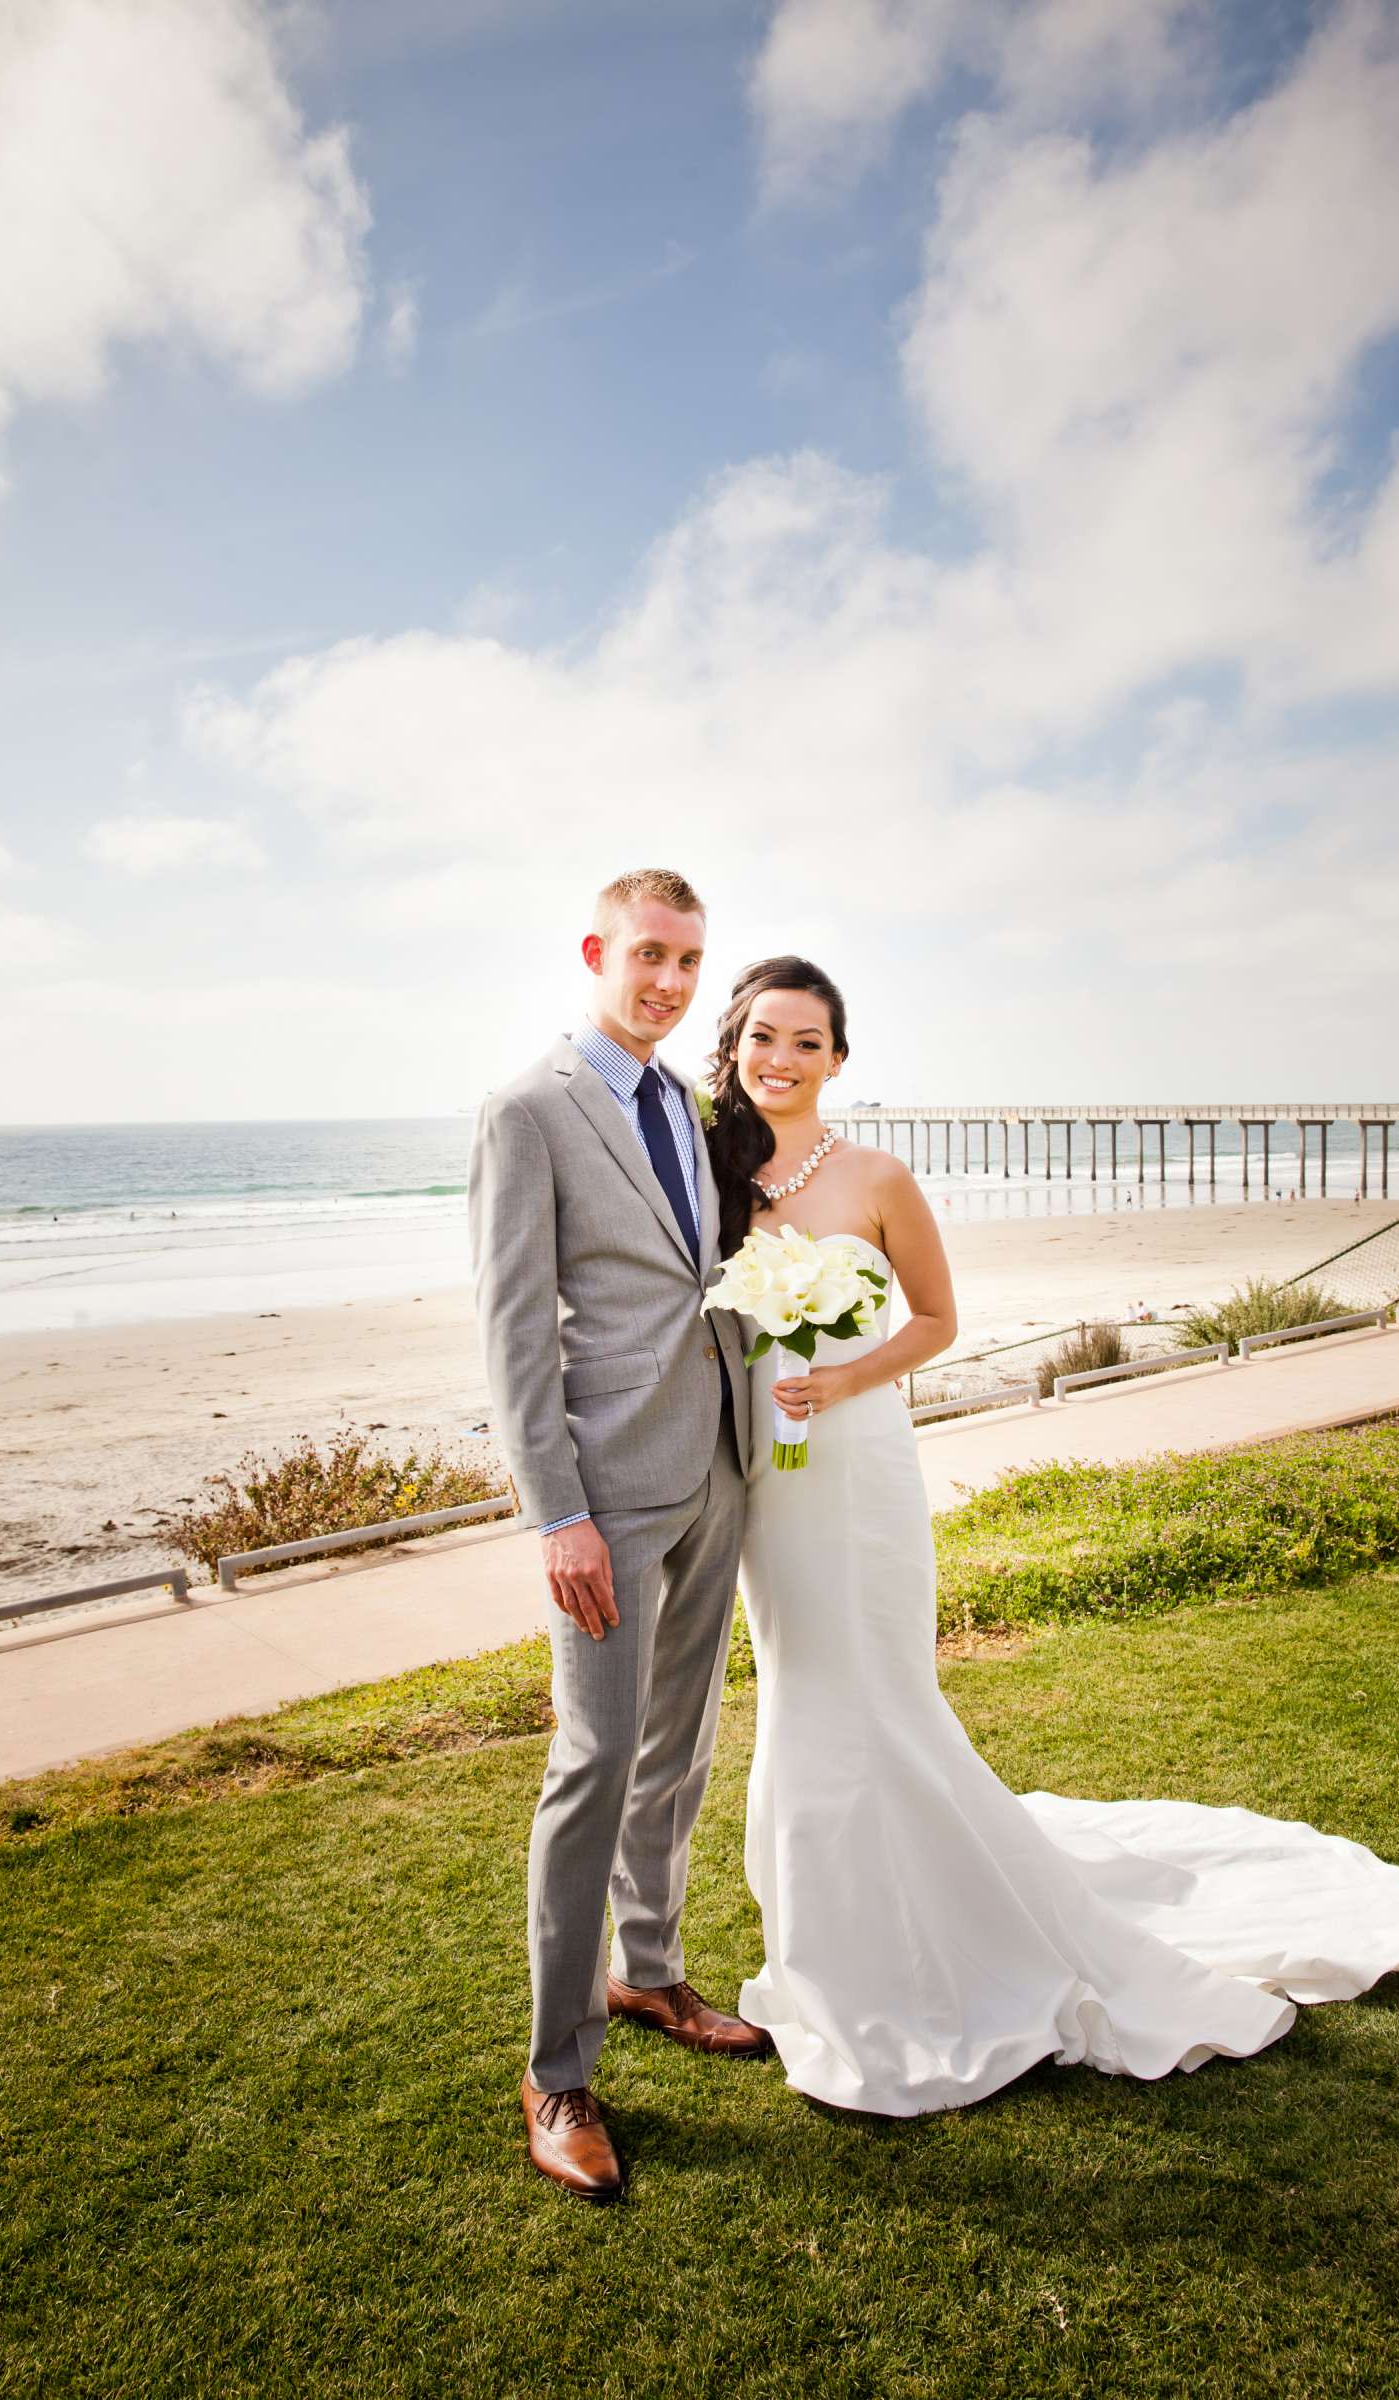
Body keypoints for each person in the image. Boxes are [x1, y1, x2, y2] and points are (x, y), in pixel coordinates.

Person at [705, 956, 1399, 2115]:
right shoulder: (713, 1178)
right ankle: (831, 1940)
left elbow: (940, 1322)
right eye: (763, 1037)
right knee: (802, 1689)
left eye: (806, 1040)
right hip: (767, 1482)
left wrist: (844, 1381)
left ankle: (917, 1947)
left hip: (860, 1463)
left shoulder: (878, 1175)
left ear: (838, 1058)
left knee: (878, 1691)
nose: (781, 1059)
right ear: (734, 1046)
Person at [468, 869, 764, 2205]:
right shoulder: (530, 1110)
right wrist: (557, 1514)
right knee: (592, 1765)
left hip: (714, 1475)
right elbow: (516, 1333)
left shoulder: (692, 1109)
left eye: (690, 963)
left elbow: (704, 1282)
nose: (668, 982)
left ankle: (649, 1976)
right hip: (605, 1504)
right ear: (598, 950)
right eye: (649, 955)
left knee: (681, 1746)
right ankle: (555, 2073)